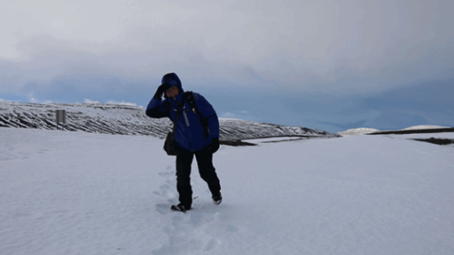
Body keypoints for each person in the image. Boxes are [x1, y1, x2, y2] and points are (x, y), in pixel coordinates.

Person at [146, 72, 222, 212]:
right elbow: (150, 112)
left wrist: (215, 138)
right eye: (167, 90)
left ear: (179, 87)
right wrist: (157, 95)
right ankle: (185, 203)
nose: (171, 92)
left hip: (203, 144)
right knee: (182, 176)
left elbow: (211, 116)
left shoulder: (194, 99)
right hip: (182, 145)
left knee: (206, 173)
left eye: (173, 88)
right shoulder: (167, 106)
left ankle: (216, 192)